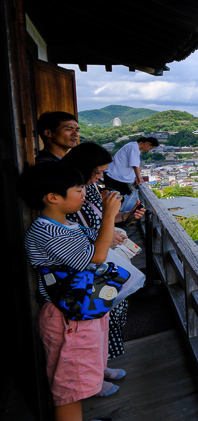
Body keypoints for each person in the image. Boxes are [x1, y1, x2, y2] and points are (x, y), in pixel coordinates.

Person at [17, 162, 123, 421]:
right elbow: (96, 256)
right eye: (78, 190)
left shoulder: (64, 225)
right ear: (53, 197)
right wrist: (109, 215)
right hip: (66, 316)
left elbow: (95, 241)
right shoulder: (47, 232)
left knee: (80, 372)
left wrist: (111, 230)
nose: (84, 193)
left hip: (79, 309)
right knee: (70, 388)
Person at [62, 142, 145, 364]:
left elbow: (96, 223)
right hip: (90, 263)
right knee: (97, 314)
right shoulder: (72, 190)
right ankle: (96, 367)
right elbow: (87, 230)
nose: (100, 177)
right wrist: (109, 220)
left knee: (108, 314)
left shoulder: (86, 187)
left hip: (99, 254)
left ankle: (102, 364)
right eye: (97, 172)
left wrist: (127, 215)